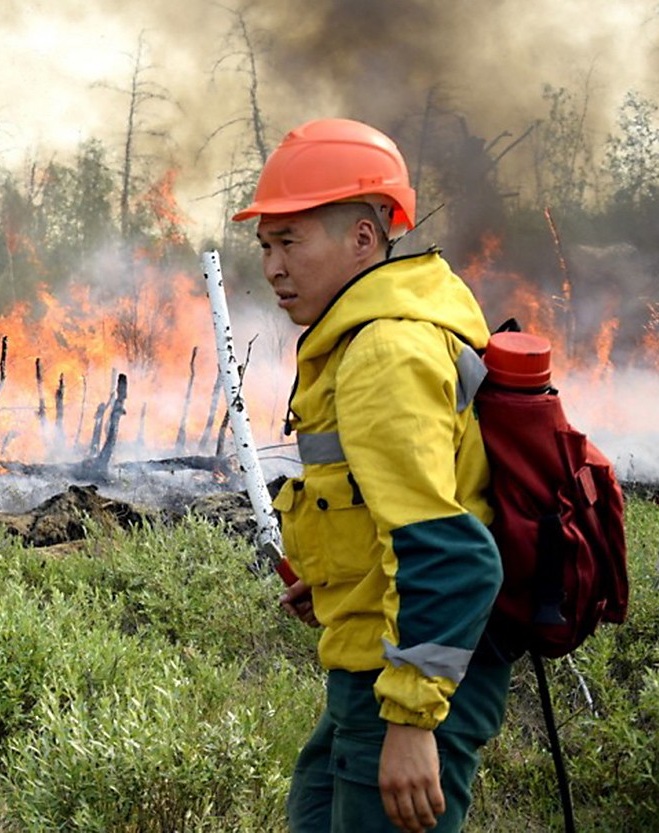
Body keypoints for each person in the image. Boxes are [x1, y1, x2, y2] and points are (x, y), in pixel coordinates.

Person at [232, 118, 511, 832]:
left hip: (410, 689)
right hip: (371, 671)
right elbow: (373, 507)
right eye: (265, 244)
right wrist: (334, 577)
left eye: (290, 240)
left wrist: (413, 722)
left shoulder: (384, 353)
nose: (273, 266)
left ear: (363, 237)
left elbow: (451, 553)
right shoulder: (366, 337)